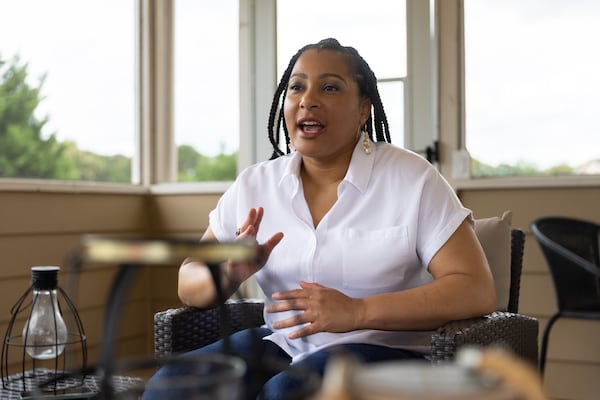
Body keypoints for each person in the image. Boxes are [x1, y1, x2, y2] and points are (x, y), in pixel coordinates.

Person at [142, 38, 496, 400]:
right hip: (285, 344)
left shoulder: (412, 179)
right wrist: (228, 273)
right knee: (170, 387)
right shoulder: (254, 183)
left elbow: (475, 288)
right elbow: (189, 280)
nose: (307, 100)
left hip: (390, 350)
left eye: (329, 87)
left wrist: (358, 311)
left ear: (363, 110)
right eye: (296, 87)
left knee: (290, 392)